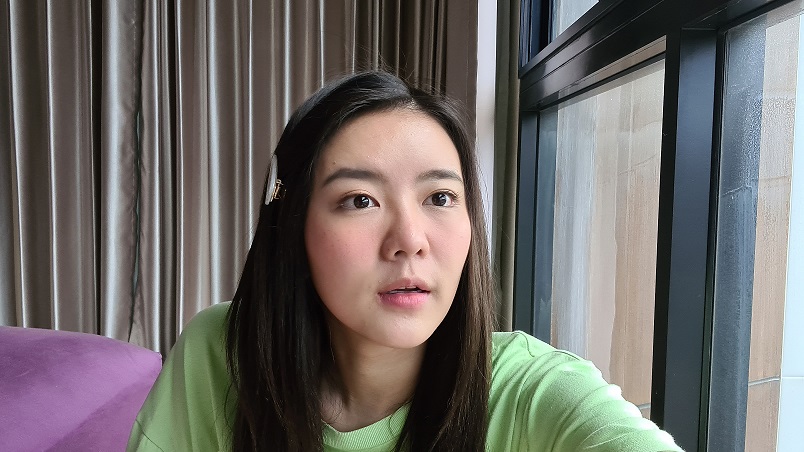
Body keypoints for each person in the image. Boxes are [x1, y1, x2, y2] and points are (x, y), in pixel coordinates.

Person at [127, 71, 682, 451]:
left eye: (439, 197)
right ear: (293, 226)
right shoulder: (221, 353)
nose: (410, 240)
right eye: (359, 200)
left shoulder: (529, 392)